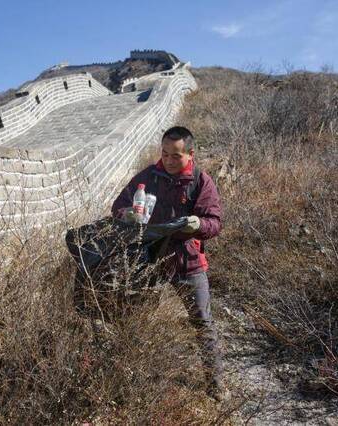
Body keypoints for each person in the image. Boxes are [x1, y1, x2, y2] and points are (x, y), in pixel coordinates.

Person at [111, 126, 226, 401]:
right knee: (135, 317)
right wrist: (127, 214)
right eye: (164, 154)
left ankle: (216, 384)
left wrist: (199, 224)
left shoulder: (200, 181)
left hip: (188, 261)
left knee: (202, 321)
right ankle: (132, 379)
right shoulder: (149, 176)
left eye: (176, 156)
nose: (169, 161)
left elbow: (215, 222)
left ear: (190, 154)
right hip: (150, 259)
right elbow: (118, 207)